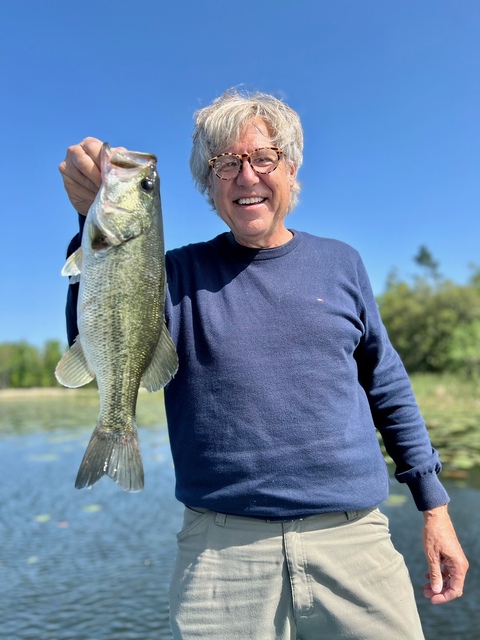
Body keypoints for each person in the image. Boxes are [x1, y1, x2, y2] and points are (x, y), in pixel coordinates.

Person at [59, 88, 468, 640]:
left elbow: (387, 387)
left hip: (355, 543)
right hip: (220, 556)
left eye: (263, 158)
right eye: (225, 163)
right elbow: (97, 330)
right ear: (208, 183)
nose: (245, 176)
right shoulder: (174, 274)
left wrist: (434, 505)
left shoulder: (343, 263)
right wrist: (88, 217)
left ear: (291, 168)